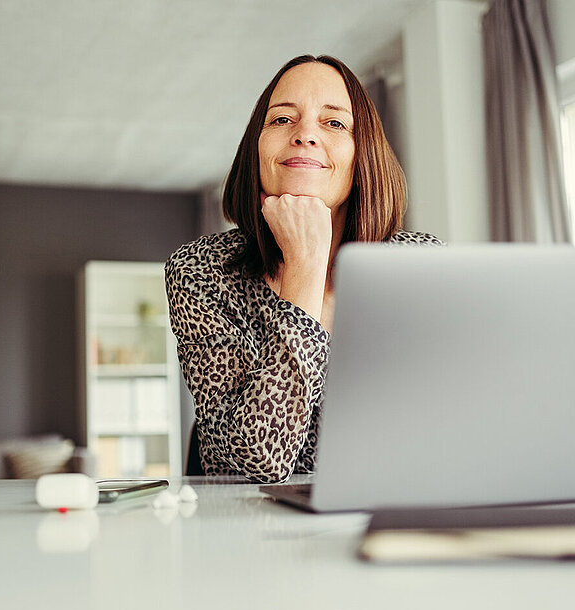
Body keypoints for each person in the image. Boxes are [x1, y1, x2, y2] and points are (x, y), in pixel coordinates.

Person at [165, 54, 443, 483]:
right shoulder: (202, 271)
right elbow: (256, 462)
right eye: (281, 120)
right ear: (255, 150)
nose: (305, 135)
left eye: (334, 123)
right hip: (248, 534)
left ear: (361, 154)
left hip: (389, 515)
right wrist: (306, 267)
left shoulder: (419, 268)